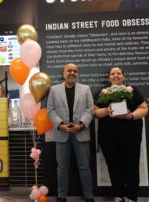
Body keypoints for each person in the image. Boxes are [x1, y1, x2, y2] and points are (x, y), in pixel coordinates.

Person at [94, 67, 148, 202]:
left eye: (119, 73)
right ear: (109, 78)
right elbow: (95, 112)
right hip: (108, 137)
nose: (116, 75)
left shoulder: (133, 90)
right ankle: (118, 195)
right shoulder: (102, 93)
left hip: (131, 136)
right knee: (113, 165)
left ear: (124, 77)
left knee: (132, 165)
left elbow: (144, 108)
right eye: (113, 74)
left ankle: (131, 197)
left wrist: (130, 116)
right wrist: (107, 110)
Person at [46, 63, 95, 202]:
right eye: (69, 70)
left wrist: (81, 125)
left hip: (81, 133)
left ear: (77, 74)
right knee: (62, 168)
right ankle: (61, 196)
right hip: (62, 135)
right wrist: (60, 125)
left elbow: (90, 109)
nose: (72, 73)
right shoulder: (54, 90)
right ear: (64, 73)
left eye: (75, 71)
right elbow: (50, 110)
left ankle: (89, 196)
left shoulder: (85, 89)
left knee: (84, 167)